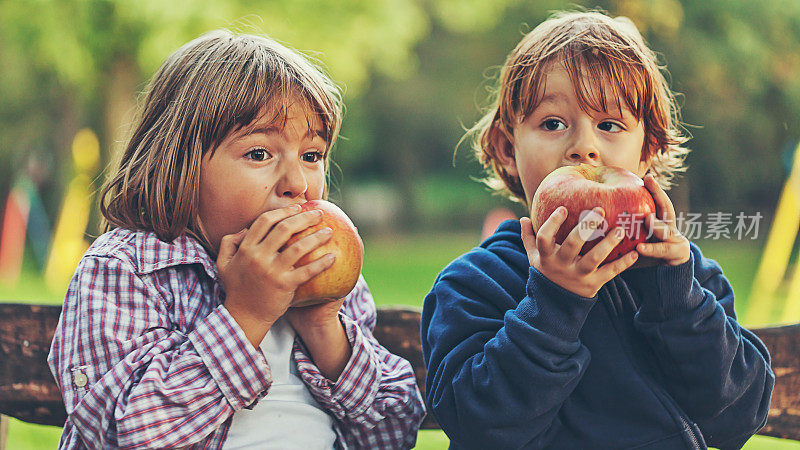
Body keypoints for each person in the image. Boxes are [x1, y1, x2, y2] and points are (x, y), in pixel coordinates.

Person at [48, 30, 425, 449]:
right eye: (259, 154)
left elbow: (393, 435)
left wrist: (324, 329)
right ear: (179, 164)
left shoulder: (328, 281)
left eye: (311, 156)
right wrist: (246, 315)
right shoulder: (126, 269)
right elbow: (125, 433)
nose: (297, 183)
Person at [421, 11, 773, 449]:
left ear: (648, 151)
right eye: (552, 123)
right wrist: (553, 303)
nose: (583, 147)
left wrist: (675, 298)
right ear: (506, 148)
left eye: (609, 125)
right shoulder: (473, 284)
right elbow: (480, 426)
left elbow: (741, 414)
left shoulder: (683, 275)